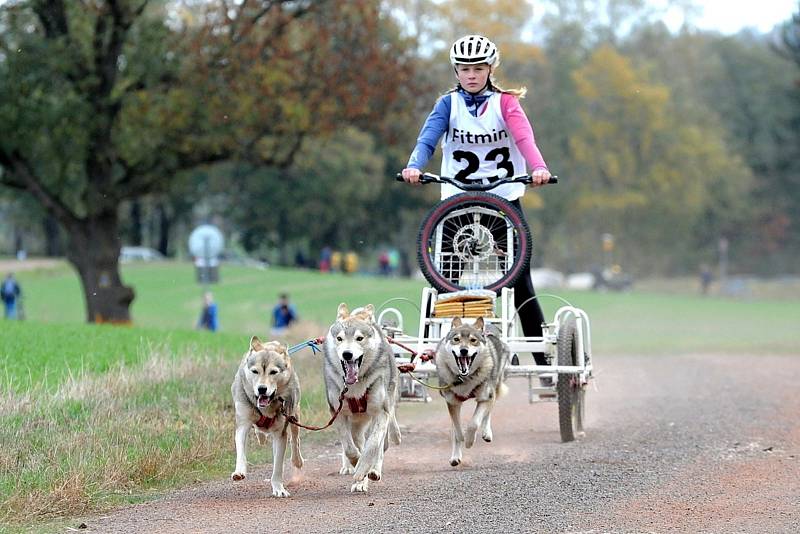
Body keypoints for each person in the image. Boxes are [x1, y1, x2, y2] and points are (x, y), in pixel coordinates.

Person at [401, 34, 553, 381]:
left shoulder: (507, 104)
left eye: (478, 68)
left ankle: (543, 363)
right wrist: (414, 165)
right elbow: (428, 139)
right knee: (442, 278)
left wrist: (538, 168)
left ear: (490, 69)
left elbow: (524, 138)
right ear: (456, 70)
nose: (471, 75)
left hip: (503, 201)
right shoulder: (447, 104)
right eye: (465, 68)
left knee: (520, 281)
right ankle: (429, 356)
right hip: (455, 200)